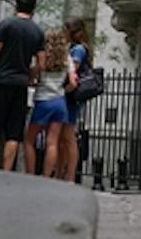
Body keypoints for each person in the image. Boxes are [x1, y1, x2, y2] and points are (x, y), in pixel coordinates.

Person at [0, 0, 45, 172]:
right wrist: (30, 76)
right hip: (21, 84)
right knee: (14, 133)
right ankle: (7, 172)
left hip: (1, 81)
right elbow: (42, 62)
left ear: (16, 5)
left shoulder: (7, 24)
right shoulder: (37, 31)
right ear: (33, 9)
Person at [22, 28, 73, 185]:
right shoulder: (67, 58)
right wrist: (63, 91)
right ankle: (46, 177)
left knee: (29, 140)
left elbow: (32, 77)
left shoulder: (42, 58)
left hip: (43, 101)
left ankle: (30, 174)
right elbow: (72, 83)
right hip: (60, 101)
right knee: (52, 142)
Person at [54, 19, 91, 182]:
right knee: (63, 137)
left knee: (68, 136)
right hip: (68, 96)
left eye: (66, 30)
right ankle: (60, 173)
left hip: (71, 97)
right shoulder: (77, 48)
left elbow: (72, 70)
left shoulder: (78, 50)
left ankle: (69, 175)